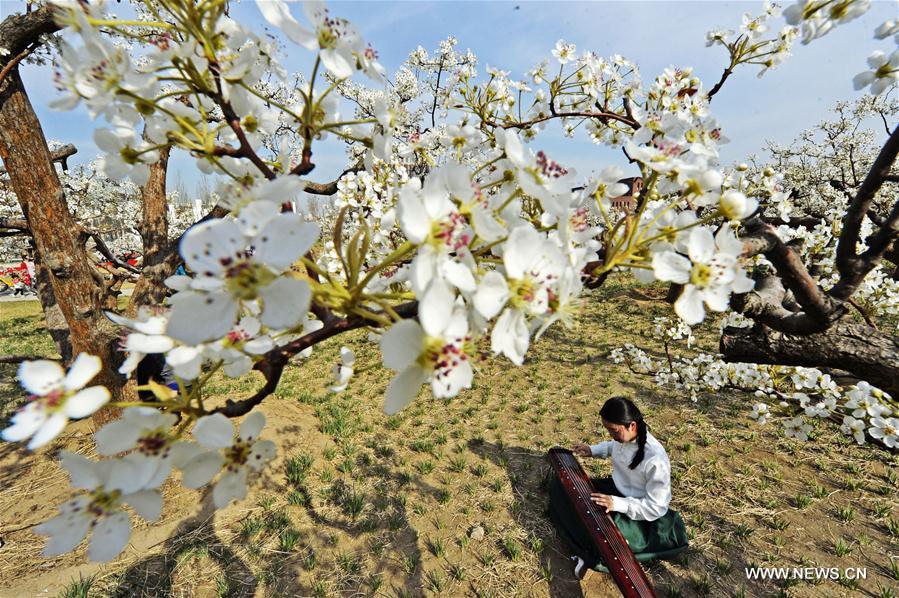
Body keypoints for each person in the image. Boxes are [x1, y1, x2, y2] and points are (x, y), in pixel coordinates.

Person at [549, 396, 689, 579]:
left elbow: (657, 507)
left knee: (603, 538)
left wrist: (617, 504)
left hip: (638, 512)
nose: (611, 435)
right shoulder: (623, 437)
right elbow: (612, 446)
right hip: (614, 490)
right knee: (562, 485)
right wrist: (592, 450)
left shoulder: (656, 459)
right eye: (608, 430)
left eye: (613, 431)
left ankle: (587, 557)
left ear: (631, 425)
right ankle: (584, 544)